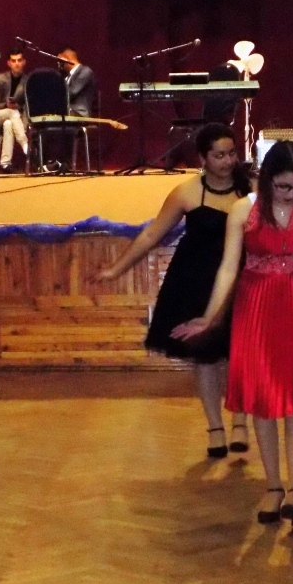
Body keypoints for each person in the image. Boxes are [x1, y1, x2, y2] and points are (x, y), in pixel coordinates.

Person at [174, 141, 293, 526]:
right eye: (283, 186)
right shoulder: (244, 209)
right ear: (268, 179)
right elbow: (228, 267)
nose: (290, 193)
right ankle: (273, 486)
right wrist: (209, 316)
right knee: (263, 399)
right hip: (255, 306)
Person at [94, 124, 252, 458]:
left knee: (241, 353)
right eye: (219, 155)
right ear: (203, 159)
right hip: (194, 279)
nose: (227, 161)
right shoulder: (186, 192)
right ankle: (215, 428)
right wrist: (116, 269)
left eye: (232, 154)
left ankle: (241, 419)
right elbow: (152, 235)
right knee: (205, 356)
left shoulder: (250, 189)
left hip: (241, 278)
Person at [0, 49, 30, 173]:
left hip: (14, 121)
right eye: (13, 61)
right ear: (9, 63)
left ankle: (5, 164)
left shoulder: (27, 81)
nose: (16, 63)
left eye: (19, 60)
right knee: (12, 112)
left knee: (8, 124)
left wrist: (18, 108)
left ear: (24, 62)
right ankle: (25, 145)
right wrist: (6, 105)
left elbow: (27, 106)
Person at [58, 48, 97, 117]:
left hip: (80, 113)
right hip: (68, 113)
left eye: (60, 61)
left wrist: (54, 99)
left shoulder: (85, 71)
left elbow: (71, 92)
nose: (58, 64)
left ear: (66, 59)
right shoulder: (67, 77)